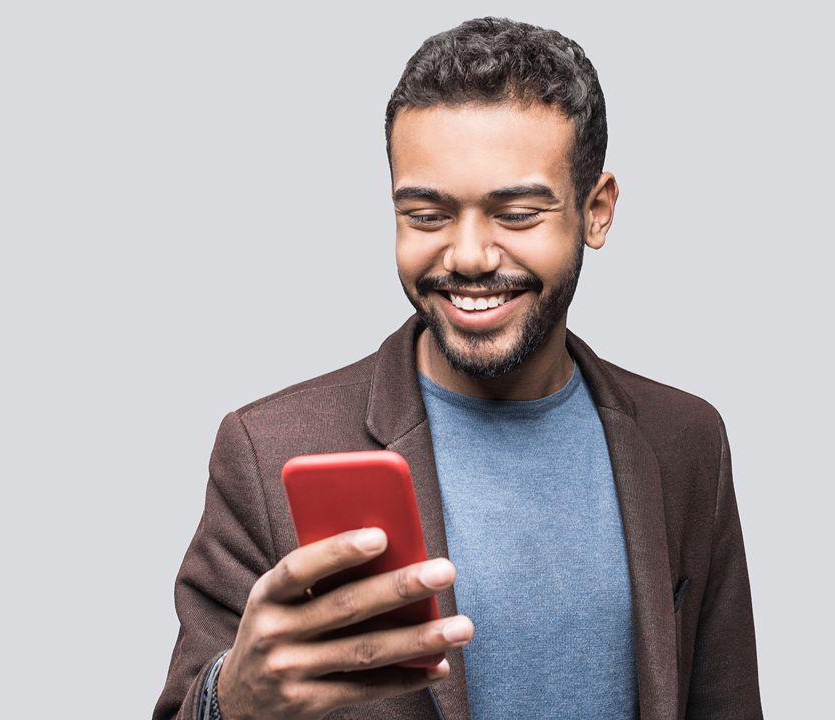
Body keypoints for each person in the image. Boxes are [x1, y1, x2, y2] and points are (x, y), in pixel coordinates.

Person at [152, 16, 762, 720]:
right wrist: (231, 700)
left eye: (517, 213)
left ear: (596, 211)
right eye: (428, 215)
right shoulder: (270, 450)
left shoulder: (686, 441)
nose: (469, 255)